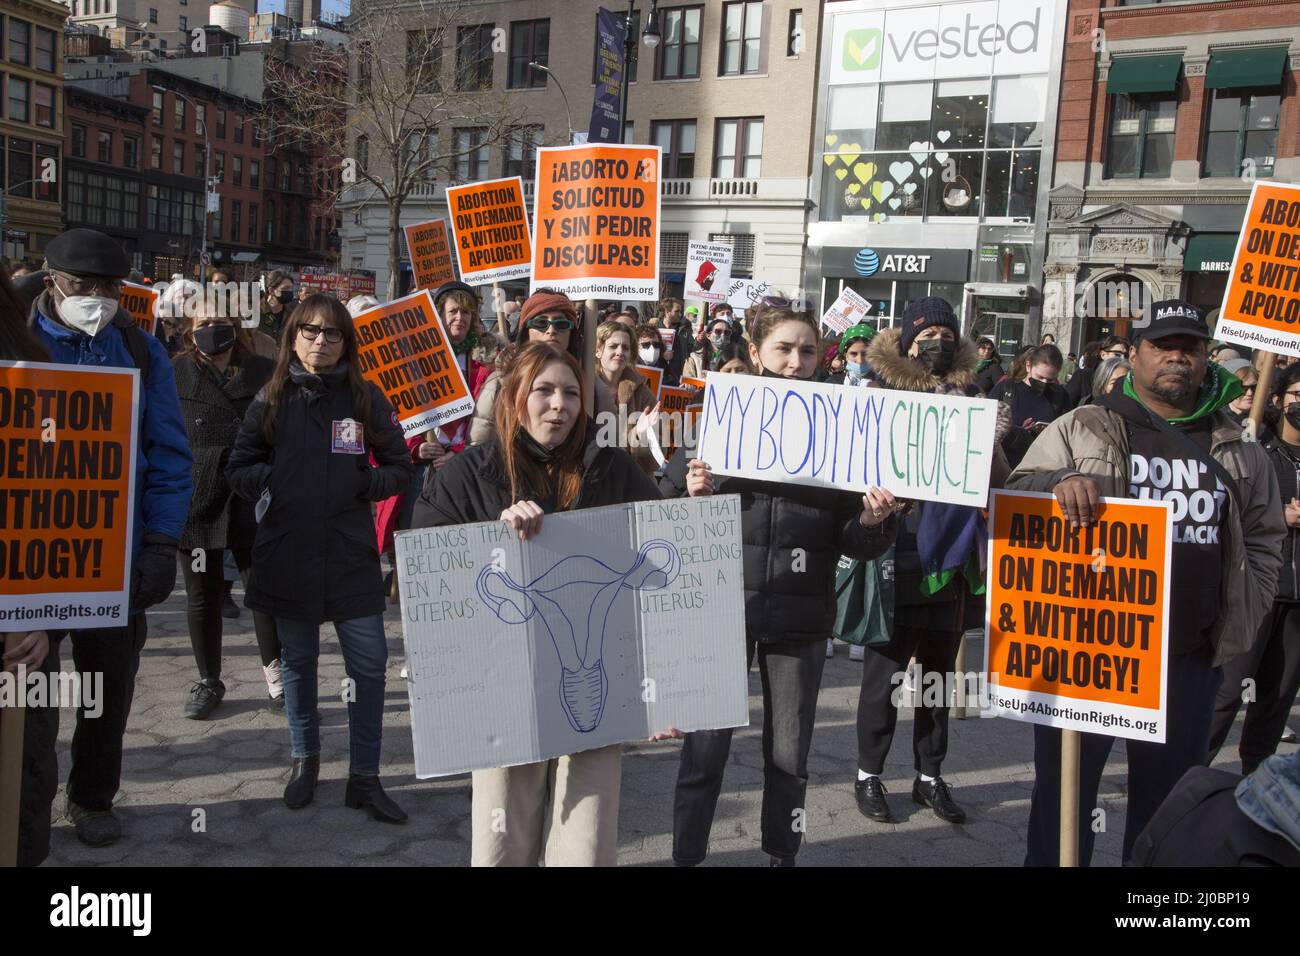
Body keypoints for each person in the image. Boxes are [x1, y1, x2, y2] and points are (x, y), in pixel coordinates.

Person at [1008, 299, 1284, 866]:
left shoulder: (1240, 447)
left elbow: (1264, 538)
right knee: (1064, 805)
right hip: (1089, 655)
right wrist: (1059, 481)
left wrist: (1242, 616)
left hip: (1186, 659)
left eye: (1190, 347)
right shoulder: (1080, 424)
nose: (1177, 357)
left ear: (1208, 359)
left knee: (1169, 811)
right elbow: (1016, 495)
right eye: (1162, 345)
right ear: (1133, 355)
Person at [412, 343, 669, 865]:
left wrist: (670, 690)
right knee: (503, 840)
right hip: (506, 693)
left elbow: (663, 561)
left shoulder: (614, 471)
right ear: (514, 398)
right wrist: (496, 539)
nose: (559, 404)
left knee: (587, 845)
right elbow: (431, 566)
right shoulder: (468, 476)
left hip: (598, 699)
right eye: (544, 391)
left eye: (571, 393)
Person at [665, 307, 899, 867]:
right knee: (704, 749)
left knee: (790, 754)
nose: (796, 363)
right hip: (723, 610)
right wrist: (689, 490)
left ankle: (782, 854)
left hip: (800, 619)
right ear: (758, 349)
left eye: (809, 352)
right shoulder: (717, 417)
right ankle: (686, 856)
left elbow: (854, 540)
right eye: (784, 350)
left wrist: (872, 522)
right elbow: (668, 516)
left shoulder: (843, 427)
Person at [27, 228, 193, 847]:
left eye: (109, 288)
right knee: (30, 691)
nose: (95, 297)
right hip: (34, 561)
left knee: (107, 690)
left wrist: (158, 544)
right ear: (51, 282)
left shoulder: (142, 352)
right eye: (81, 286)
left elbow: (171, 457)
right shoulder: (16, 343)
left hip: (113, 562)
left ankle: (93, 798)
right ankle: (29, 799)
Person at [226, 294, 414, 821]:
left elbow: (401, 466)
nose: (320, 342)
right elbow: (238, 467)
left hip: (351, 556)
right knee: (300, 665)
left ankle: (365, 778)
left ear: (346, 343)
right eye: (309, 331)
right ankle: (305, 760)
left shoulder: (365, 397)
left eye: (332, 334)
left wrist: (366, 482)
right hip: (288, 555)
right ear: (292, 338)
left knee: (370, 664)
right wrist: (273, 479)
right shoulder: (271, 397)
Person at [854, 298, 1010, 827]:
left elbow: (1000, 481)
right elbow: (856, 467)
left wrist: (992, 443)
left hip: (953, 557)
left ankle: (928, 777)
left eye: (946, 333)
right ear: (907, 341)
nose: (936, 342)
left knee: (940, 678)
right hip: (899, 550)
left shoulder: (975, 396)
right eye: (926, 334)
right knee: (886, 674)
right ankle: (868, 774)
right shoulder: (882, 395)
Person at [173, 301, 282, 718]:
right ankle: (208, 680)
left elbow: (279, 430)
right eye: (204, 323)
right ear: (189, 330)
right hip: (198, 501)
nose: (212, 329)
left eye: (221, 322)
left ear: (236, 328)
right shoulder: (174, 372)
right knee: (202, 595)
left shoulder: (261, 371)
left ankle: (277, 678)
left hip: (250, 500)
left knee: (262, 594)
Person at [1207, 362, 1300, 776]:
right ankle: (1186, 777)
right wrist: (1279, 514)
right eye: (1298, 395)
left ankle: (1256, 787)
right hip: (1257, 590)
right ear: (1279, 400)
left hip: (1297, 603)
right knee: (1226, 695)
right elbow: (1229, 513)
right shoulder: (1255, 450)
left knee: (1276, 699)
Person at [374, 281, 495, 593]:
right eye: (453, 310)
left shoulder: (485, 362)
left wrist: (462, 453)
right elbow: (396, 414)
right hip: (421, 464)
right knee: (413, 527)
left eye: (467, 312)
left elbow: (488, 419)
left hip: (464, 461)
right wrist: (416, 448)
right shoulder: (414, 359)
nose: (460, 317)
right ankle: (414, 588)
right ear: (441, 314)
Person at [0, 267, 59, 866]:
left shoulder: (26, 370)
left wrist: (32, 611)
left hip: (17, 622)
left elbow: (46, 502)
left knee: (22, 765)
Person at [471, 289, 584, 448]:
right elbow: (478, 446)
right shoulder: (499, 382)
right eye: (540, 323)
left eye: (561, 324)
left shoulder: (591, 384)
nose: (551, 330)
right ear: (525, 332)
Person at [593, 321, 659, 475]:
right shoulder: (583, 385)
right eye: (613, 346)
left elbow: (653, 462)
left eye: (625, 348)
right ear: (598, 350)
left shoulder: (642, 391)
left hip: (628, 479)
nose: (620, 352)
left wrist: (639, 435)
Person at [990, 344, 1067, 469]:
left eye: (1050, 379)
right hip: (1005, 465)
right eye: (1040, 377)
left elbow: (1066, 432)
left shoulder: (1059, 395)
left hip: (1041, 468)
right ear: (1028, 366)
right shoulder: (1006, 389)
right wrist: (1018, 431)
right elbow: (985, 425)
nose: (1044, 383)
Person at [1067, 335, 1127, 408]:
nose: (1122, 359)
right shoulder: (1083, 376)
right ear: (1103, 354)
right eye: (1117, 354)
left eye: (1126, 356)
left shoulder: (1128, 381)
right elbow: (1066, 406)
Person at [681, 313, 741, 380]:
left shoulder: (737, 359)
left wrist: (713, 377)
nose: (723, 335)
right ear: (708, 336)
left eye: (727, 332)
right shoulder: (695, 359)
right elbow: (688, 383)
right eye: (718, 331)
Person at [259, 270, 295, 342]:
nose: (290, 291)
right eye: (285, 288)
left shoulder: (292, 315)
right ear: (271, 290)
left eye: (291, 288)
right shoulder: (255, 312)